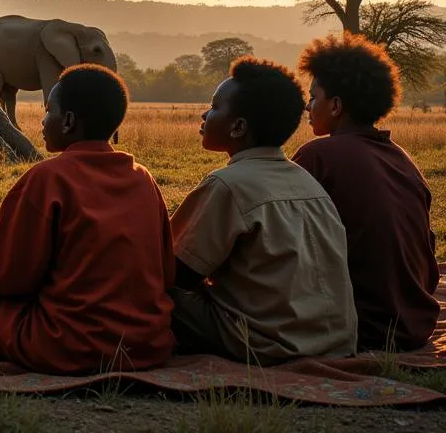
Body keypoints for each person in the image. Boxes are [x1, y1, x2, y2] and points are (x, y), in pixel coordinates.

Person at [0, 64, 175, 374]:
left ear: (67, 122)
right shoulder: (143, 179)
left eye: (48, 111)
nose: (42, 121)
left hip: (68, 346)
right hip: (146, 344)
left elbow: (7, 276)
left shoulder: (48, 178)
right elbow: (166, 270)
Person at [169, 57, 357, 364]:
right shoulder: (307, 181)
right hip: (335, 342)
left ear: (238, 127)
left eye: (215, 107)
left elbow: (176, 273)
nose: (205, 114)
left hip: (265, 344)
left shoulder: (227, 184)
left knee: (151, 293)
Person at [294, 32, 440, 351]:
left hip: (361, 327)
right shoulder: (401, 158)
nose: (308, 105)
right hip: (414, 324)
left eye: (313, 96)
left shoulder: (318, 156)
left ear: (335, 105)